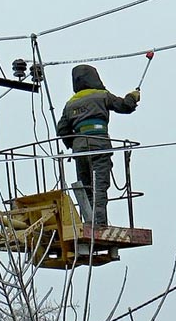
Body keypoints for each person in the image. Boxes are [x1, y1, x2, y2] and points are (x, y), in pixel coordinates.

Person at [56, 64, 140, 226]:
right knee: (99, 186)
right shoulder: (101, 95)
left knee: (85, 186)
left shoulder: (70, 103)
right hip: (99, 145)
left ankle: (88, 221)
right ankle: (99, 224)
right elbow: (125, 106)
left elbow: (62, 129)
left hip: (79, 150)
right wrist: (132, 96)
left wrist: (73, 144)